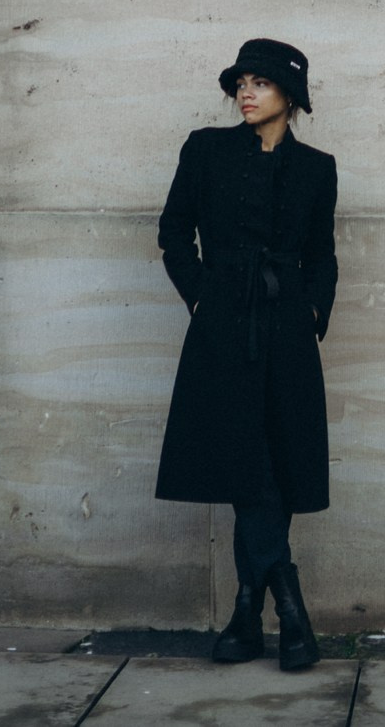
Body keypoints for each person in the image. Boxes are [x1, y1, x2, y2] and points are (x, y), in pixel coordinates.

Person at [152, 37, 338, 670]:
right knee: (248, 463)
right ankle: (288, 608)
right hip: (223, 325)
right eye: (241, 81)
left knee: (277, 461)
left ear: (291, 95)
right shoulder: (204, 150)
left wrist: (314, 310)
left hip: (286, 327)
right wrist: (201, 296)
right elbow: (173, 231)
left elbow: (323, 254)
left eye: (260, 82)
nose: (246, 92)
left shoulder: (318, 167)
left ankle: (243, 614)